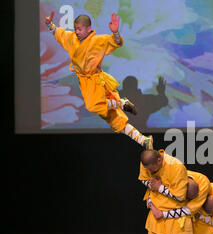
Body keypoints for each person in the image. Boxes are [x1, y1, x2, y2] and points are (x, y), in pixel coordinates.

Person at [44, 11, 152, 148]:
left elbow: (115, 42)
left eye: (80, 29)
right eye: (75, 28)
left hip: (97, 81)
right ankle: (143, 140)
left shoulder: (98, 41)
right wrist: (50, 24)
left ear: (89, 29)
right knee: (114, 119)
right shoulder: (71, 39)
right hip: (85, 82)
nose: (76, 32)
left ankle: (121, 102)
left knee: (93, 106)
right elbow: (59, 34)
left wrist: (116, 33)